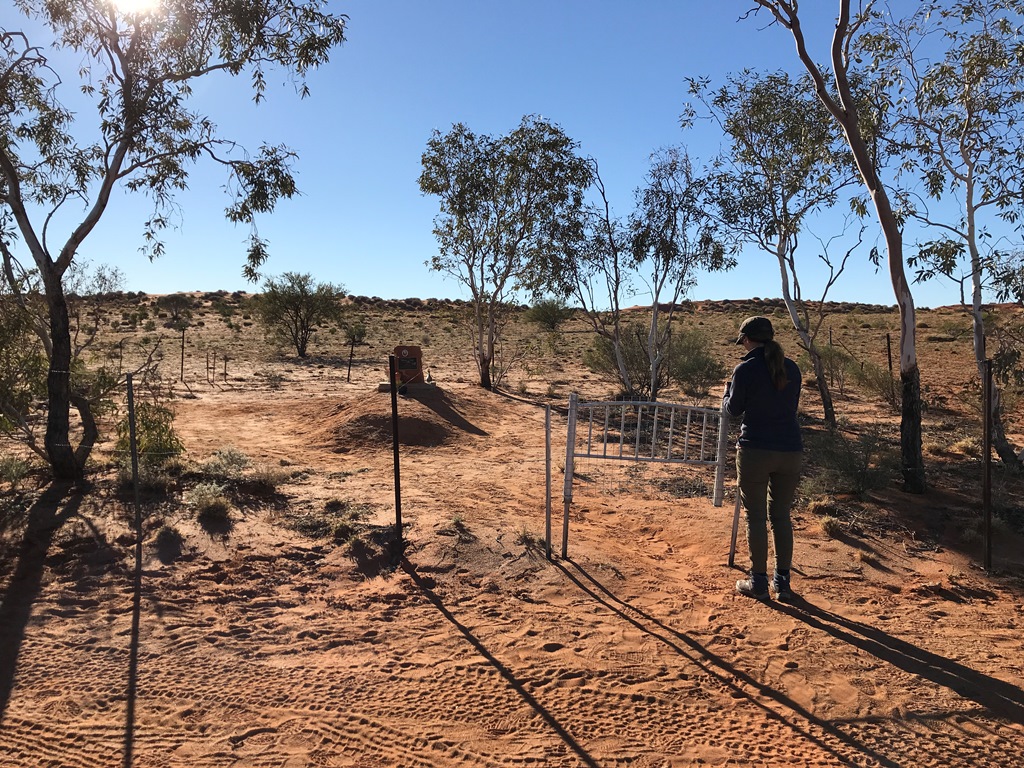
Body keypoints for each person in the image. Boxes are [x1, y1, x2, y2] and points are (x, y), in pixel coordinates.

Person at [723, 316, 803, 601]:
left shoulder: (744, 369)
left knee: (755, 515)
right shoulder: (792, 368)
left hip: (755, 449)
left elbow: (733, 410)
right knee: (781, 516)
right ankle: (782, 583)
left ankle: (758, 580)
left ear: (746, 339)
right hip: (791, 451)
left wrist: (726, 393)